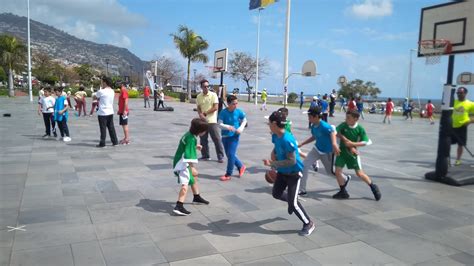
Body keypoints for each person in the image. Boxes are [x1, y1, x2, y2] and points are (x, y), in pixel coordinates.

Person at [263, 111, 316, 236]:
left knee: (293, 202)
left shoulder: (287, 139)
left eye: (269, 123)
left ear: (275, 124)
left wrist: (273, 164)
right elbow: (276, 147)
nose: (268, 125)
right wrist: (273, 156)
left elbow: (291, 161)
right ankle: (292, 202)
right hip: (282, 172)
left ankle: (308, 223)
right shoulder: (275, 135)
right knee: (276, 194)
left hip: (294, 173)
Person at [298, 107, 351, 195]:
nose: (308, 118)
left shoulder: (325, 126)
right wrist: (303, 143)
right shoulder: (313, 126)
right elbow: (314, 136)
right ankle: (302, 189)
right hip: (316, 149)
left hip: (327, 152)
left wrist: (334, 144)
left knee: (330, 173)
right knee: (304, 165)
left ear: (316, 117)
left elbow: (333, 133)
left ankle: (345, 179)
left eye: (310, 116)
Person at [333, 110, 381, 201]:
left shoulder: (360, 129)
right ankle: (343, 191)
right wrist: (344, 138)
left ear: (356, 119)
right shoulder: (343, 125)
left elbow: (366, 141)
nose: (346, 119)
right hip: (342, 151)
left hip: (353, 154)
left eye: (348, 118)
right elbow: (335, 131)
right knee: (337, 171)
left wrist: (352, 144)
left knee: (359, 173)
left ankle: (373, 187)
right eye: (346, 117)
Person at [173, 118, 210, 216]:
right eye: (205, 130)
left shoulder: (190, 135)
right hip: (182, 164)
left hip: (181, 161)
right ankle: (179, 205)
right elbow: (188, 156)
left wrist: (195, 146)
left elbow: (185, 147)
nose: (205, 132)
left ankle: (196, 196)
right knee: (185, 184)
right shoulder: (191, 139)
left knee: (193, 176)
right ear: (200, 131)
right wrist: (191, 166)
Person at [218, 95, 247, 181]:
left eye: (236, 103)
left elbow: (244, 120)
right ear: (228, 104)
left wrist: (240, 128)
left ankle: (228, 174)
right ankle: (240, 166)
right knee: (230, 155)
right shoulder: (223, 112)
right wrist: (228, 127)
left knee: (230, 154)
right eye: (234, 104)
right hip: (225, 136)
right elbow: (219, 124)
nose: (236, 105)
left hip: (234, 136)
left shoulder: (239, 112)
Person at [196, 79, 225, 162]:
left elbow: (215, 107)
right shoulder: (199, 96)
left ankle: (220, 156)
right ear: (201, 87)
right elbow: (198, 107)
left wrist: (205, 113)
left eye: (208, 86)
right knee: (203, 139)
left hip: (212, 121)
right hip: (202, 121)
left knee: (217, 139)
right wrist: (200, 114)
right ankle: (205, 155)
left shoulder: (213, 95)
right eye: (204, 86)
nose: (206, 88)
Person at [451, 87, 474, 166]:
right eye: (458, 93)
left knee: (460, 144)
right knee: (446, 142)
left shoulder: (470, 103)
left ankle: (458, 160)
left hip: (462, 126)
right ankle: (446, 158)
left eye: (461, 93)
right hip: (452, 126)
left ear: (465, 93)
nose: (459, 94)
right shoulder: (454, 102)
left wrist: (470, 121)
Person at [96, 76, 118, 148]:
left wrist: (101, 89)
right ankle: (115, 141)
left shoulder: (101, 91)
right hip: (110, 111)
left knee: (103, 128)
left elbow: (95, 96)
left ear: (105, 82)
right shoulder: (112, 91)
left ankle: (102, 143)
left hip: (102, 112)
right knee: (111, 127)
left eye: (102, 82)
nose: (101, 83)